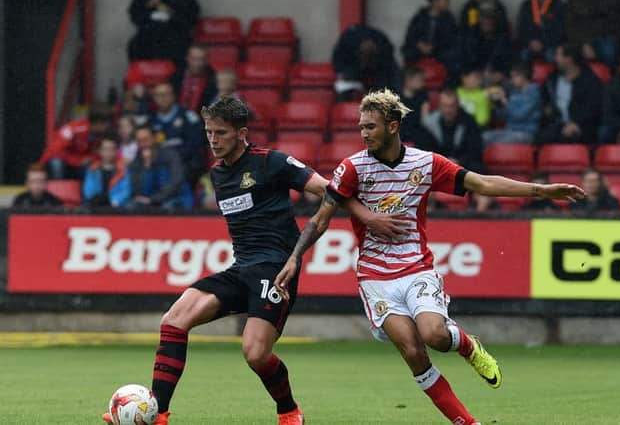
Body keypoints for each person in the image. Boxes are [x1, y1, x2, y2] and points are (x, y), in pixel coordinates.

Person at [273, 89, 584, 425]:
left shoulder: (425, 163)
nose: (364, 134)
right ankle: (467, 422)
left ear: (392, 126)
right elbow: (320, 218)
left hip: (416, 267)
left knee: (435, 335)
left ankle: (468, 347)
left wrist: (541, 190)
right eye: (361, 127)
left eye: (371, 127)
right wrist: (295, 257)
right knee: (412, 350)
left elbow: (482, 184)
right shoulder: (352, 168)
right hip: (375, 276)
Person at [102, 96, 403, 425]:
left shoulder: (270, 162)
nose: (213, 141)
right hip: (241, 267)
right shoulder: (217, 174)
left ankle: (288, 410)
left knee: (256, 354)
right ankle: (157, 414)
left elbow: (328, 189)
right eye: (208, 133)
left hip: (275, 270)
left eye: (220, 133)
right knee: (173, 320)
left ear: (241, 133)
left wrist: (368, 218)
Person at [539, 44, 602, 145]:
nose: (555, 59)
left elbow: (593, 109)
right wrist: (547, 109)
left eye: (558, 55)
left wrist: (577, 124)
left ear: (569, 59)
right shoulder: (552, 79)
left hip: (582, 127)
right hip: (555, 125)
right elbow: (545, 101)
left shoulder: (590, 81)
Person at [149, 82, 206, 187]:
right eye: (159, 95)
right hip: (160, 165)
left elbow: (195, 145)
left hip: (185, 165)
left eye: (166, 94)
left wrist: (172, 157)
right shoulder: (151, 120)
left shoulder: (188, 117)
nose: (163, 98)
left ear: (173, 96)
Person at [39, 103, 113, 179]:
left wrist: (89, 159)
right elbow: (55, 152)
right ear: (97, 123)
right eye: (105, 124)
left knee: (93, 168)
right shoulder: (73, 129)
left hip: (77, 167)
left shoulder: (103, 135)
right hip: (58, 166)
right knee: (56, 163)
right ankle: (57, 190)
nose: (107, 126)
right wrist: (78, 161)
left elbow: (99, 155)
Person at [128, 124, 193, 210]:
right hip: (149, 200)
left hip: (175, 198)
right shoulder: (135, 163)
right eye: (139, 141)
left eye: (146, 139)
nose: (143, 144)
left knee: (166, 208)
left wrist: (155, 199)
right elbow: (137, 190)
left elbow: (176, 181)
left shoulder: (170, 155)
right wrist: (147, 167)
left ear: (154, 138)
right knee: (130, 206)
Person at [419, 90, 484, 173]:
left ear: (457, 106)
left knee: (477, 167)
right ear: (439, 106)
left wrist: (459, 161)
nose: (448, 110)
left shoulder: (469, 122)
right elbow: (424, 150)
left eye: (451, 106)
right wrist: (444, 162)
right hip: (437, 166)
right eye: (444, 106)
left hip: (463, 166)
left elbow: (475, 149)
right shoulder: (429, 124)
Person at [332, 24, 400, 101]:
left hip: (380, 78)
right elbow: (339, 69)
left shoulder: (383, 46)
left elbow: (388, 77)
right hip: (353, 77)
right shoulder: (347, 45)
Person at [566, 0, 620, 68]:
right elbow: (570, 26)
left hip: (610, 37)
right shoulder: (575, 0)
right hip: (581, 40)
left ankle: (614, 78)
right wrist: (583, 44)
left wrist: (618, 36)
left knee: (608, 52)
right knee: (565, 55)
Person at [483, 60, 542, 146]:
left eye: (514, 76)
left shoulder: (533, 93)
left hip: (526, 133)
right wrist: (495, 104)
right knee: (482, 138)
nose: (512, 80)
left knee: (496, 144)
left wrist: (504, 101)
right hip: (509, 130)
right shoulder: (514, 92)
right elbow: (504, 117)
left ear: (524, 76)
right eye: (511, 76)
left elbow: (519, 115)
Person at [127, 0, 200, 65]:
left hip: (175, 36)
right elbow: (135, 15)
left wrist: (171, 12)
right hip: (149, 36)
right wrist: (148, 5)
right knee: (135, 46)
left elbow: (191, 19)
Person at [402, 0, 461, 74]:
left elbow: (451, 39)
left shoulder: (449, 18)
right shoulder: (420, 17)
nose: (448, 3)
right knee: (408, 51)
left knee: (453, 53)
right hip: (419, 51)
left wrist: (434, 46)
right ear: (434, 1)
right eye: (445, 0)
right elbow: (411, 35)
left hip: (439, 51)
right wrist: (419, 44)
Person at [461, 1, 512, 73]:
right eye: (483, 18)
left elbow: (507, 62)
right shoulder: (472, 39)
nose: (486, 21)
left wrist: (502, 74)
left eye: (489, 18)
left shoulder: (503, 40)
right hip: (476, 76)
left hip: (498, 76)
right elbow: (469, 61)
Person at [82, 137, 132, 208]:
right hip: (95, 205)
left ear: (116, 151)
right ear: (100, 151)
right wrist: (95, 200)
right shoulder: (92, 169)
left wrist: (113, 201)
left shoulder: (123, 169)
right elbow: (88, 190)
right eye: (105, 149)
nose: (108, 153)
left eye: (111, 149)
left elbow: (126, 191)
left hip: (116, 206)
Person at [170, 44, 218, 111]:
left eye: (201, 59)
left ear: (207, 61)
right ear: (187, 58)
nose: (197, 63)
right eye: (194, 59)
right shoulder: (176, 76)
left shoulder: (213, 80)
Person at [399, 66, 430, 143]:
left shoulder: (423, 97)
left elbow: (425, 120)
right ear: (408, 81)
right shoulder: (396, 99)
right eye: (419, 80)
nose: (422, 83)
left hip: (418, 136)